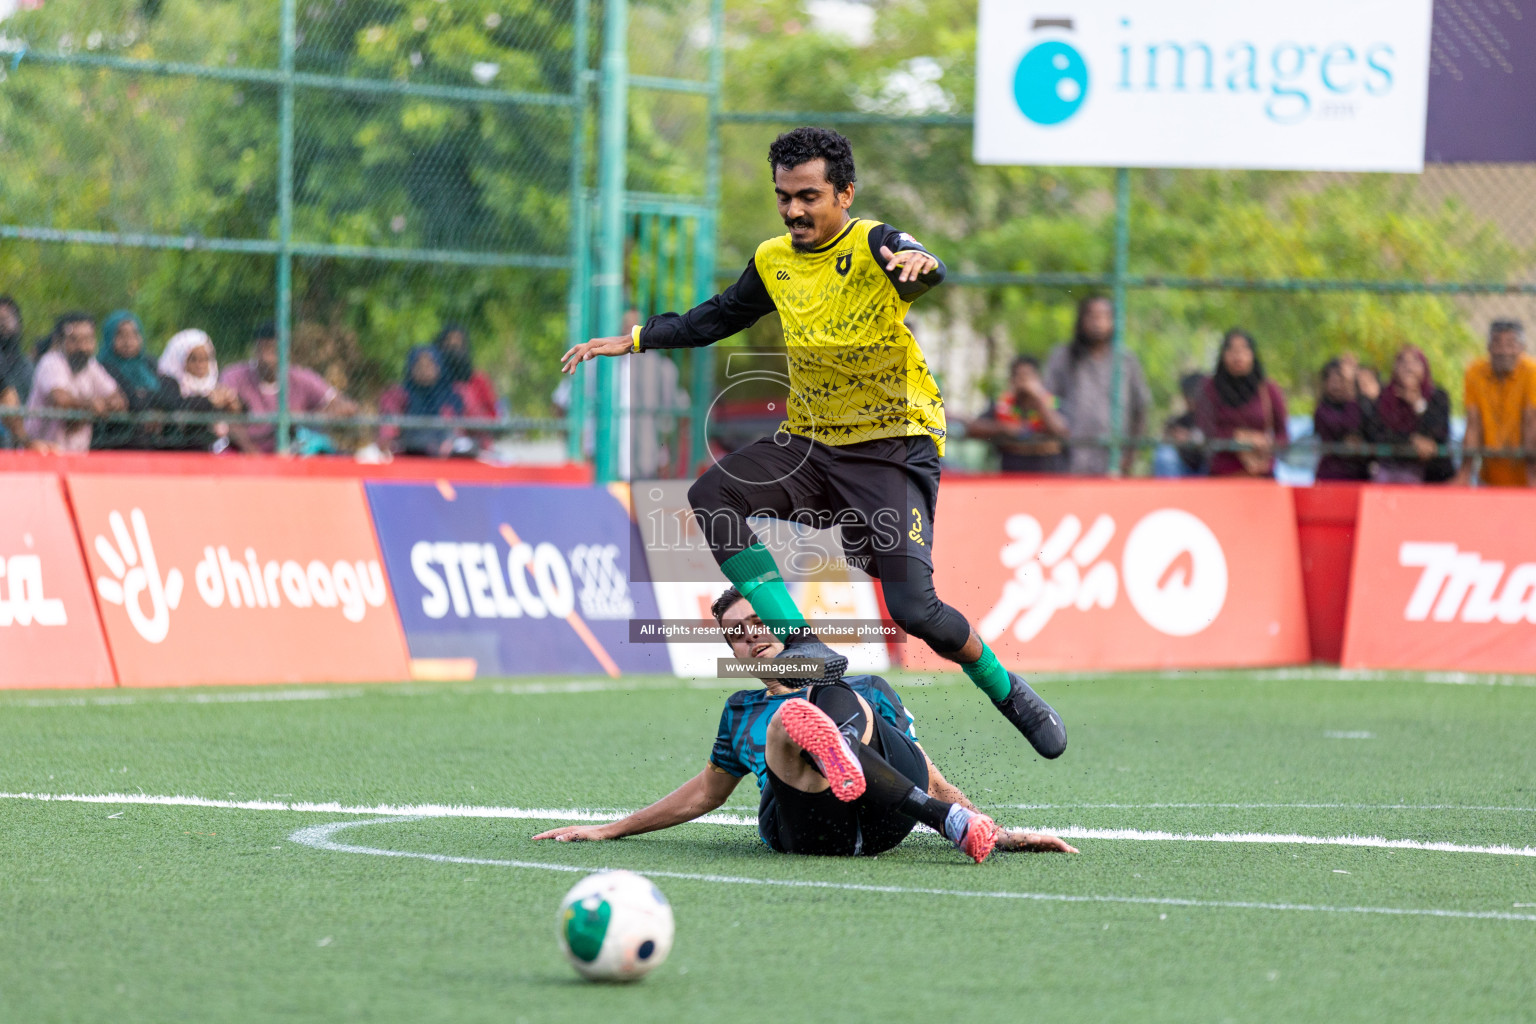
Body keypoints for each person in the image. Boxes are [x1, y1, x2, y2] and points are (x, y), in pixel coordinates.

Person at [559, 127, 1068, 761]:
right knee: (713, 493)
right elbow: (716, 316)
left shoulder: (876, 242)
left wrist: (920, 266)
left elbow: (920, 266)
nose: (793, 210)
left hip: (892, 447)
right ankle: (802, 642)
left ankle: (1006, 688)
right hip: (810, 446)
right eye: (783, 196)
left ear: (845, 193)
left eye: (808, 195)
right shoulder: (774, 259)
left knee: (915, 609)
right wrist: (633, 340)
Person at [532, 587, 1078, 862]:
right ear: (732, 652)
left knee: (838, 698)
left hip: (885, 821)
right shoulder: (741, 709)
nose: (750, 635)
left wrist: (1000, 833)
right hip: (809, 825)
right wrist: (609, 829)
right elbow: (705, 794)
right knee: (787, 723)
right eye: (736, 634)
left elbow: (929, 773)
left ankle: (842, 749)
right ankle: (832, 753)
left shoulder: (865, 689)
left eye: (757, 621)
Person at [1042, 295, 1151, 476]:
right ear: (1081, 320)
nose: (1098, 322)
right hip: (1071, 457)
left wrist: (1131, 454)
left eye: (1104, 316)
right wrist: (1057, 426)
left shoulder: (1126, 360)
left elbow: (1141, 408)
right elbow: (1047, 399)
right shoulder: (1064, 357)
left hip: (1113, 458)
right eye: (1092, 316)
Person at [219, 322, 358, 453]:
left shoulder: (301, 378)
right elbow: (226, 418)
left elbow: (347, 407)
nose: (267, 358)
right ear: (255, 350)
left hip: (292, 454)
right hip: (244, 454)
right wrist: (252, 453)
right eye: (263, 349)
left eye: (274, 350)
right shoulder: (235, 376)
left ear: (286, 352)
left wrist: (304, 418)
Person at [24, 313, 125, 452]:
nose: (82, 347)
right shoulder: (51, 362)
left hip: (76, 455)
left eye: (88, 340)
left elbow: (119, 400)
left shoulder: (91, 365)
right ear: (59, 341)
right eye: (74, 340)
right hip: (42, 453)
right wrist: (90, 405)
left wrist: (103, 405)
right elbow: (61, 399)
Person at [1197, 328, 1288, 479]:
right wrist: (1236, 438)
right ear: (1223, 355)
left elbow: (1283, 435)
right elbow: (1205, 430)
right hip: (1222, 476)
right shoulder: (1210, 389)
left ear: (1252, 354)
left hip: (1261, 475)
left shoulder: (1268, 390)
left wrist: (1264, 442)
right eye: (1232, 350)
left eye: (1244, 349)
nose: (1238, 356)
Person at [1460, 319, 1536, 487]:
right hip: (1489, 476)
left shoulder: (1532, 372)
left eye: (1510, 344)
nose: (1503, 351)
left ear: (1522, 348)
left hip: (1526, 475)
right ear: (1488, 347)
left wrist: (1533, 476)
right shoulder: (1475, 372)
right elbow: (1473, 422)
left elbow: (1531, 421)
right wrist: (1465, 473)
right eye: (1497, 343)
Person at [1362, 346, 1452, 484]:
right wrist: (1412, 440)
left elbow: (1439, 434)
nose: (1408, 368)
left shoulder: (1438, 397)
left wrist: (1418, 404)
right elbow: (1376, 433)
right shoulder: (1383, 399)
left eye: (1415, 362)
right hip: (1389, 474)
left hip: (1432, 479)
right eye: (1403, 362)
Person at [966, 354, 1069, 473]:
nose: (1024, 382)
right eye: (1019, 376)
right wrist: (1004, 428)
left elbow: (1062, 431)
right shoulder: (1002, 405)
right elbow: (972, 428)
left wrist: (1038, 399)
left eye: (1028, 376)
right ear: (1012, 380)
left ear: (1038, 379)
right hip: (1011, 477)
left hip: (1047, 478)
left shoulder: (1051, 404)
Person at [157, 329, 250, 452]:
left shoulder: (213, 383)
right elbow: (178, 408)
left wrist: (235, 405)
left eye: (205, 359)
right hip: (180, 452)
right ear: (181, 359)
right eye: (194, 359)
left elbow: (243, 411)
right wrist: (209, 401)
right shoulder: (168, 382)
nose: (200, 364)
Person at [433, 323, 499, 451]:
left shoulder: (478, 380)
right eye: (449, 344)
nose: (453, 348)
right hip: (440, 444)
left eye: (458, 344)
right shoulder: (433, 380)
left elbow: (493, 414)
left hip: (477, 442)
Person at [397, 346, 468, 457]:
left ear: (439, 367)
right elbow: (389, 430)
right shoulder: (400, 395)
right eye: (419, 366)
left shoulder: (452, 397)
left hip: (447, 454)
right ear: (411, 368)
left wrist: (449, 442)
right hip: (409, 454)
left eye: (429, 365)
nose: (424, 370)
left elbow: (459, 429)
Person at [1313, 358, 1371, 482]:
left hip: (1358, 476)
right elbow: (1347, 426)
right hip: (1332, 476)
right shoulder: (1322, 411)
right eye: (1331, 380)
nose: (1336, 385)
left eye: (1341, 380)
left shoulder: (1361, 404)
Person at [0, 296, 42, 450]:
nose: (3, 324)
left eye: (7, 318)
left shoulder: (27, 366)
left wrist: (25, 440)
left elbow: (7, 396)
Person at [1152, 372, 1209, 478]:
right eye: (1188, 395)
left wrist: (1191, 437)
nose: (1191, 400)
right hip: (1183, 468)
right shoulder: (1180, 420)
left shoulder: (1214, 417)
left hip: (1206, 467)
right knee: (1164, 453)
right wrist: (1173, 437)